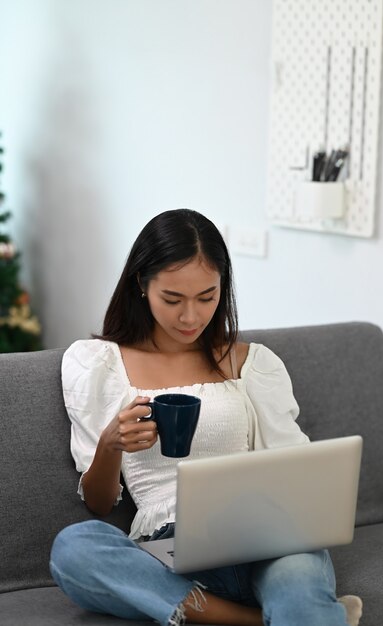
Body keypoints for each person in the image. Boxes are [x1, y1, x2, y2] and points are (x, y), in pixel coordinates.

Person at [50, 209, 362, 626]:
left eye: (207, 297)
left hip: (265, 542)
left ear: (223, 288)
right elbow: (99, 504)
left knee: (297, 574)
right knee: (74, 549)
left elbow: (297, 474)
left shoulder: (253, 364)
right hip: (167, 552)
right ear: (141, 285)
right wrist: (110, 444)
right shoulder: (97, 364)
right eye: (173, 299)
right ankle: (257, 619)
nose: (191, 317)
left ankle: (268, 610)